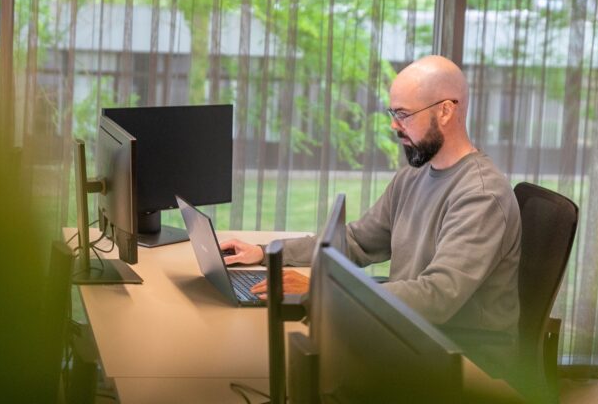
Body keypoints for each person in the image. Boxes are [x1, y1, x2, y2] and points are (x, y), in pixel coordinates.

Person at [221, 55, 521, 335]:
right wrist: (266, 253)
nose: (394, 125)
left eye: (403, 114)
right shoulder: (414, 175)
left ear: (445, 111)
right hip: (410, 331)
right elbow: (356, 241)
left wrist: (321, 290)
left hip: (455, 349)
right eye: (393, 113)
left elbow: (437, 297)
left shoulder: (481, 195)